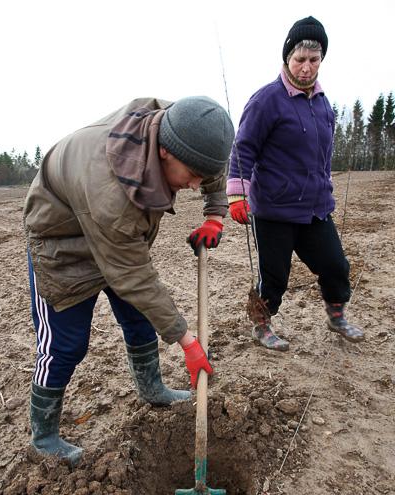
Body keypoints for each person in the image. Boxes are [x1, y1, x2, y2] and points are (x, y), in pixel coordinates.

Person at [24, 96, 234, 464]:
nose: (195, 185)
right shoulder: (111, 192)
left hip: (115, 235)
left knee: (139, 319)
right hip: (63, 245)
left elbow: (210, 163)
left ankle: (152, 389)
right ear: (166, 151)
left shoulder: (185, 125)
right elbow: (133, 276)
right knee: (66, 345)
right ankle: (43, 438)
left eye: (202, 175)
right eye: (191, 175)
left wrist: (215, 214)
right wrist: (187, 341)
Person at [226, 16, 364, 351]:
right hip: (274, 208)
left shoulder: (323, 103)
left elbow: (323, 155)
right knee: (274, 276)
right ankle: (262, 325)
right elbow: (244, 147)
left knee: (335, 266)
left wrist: (325, 187)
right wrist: (237, 193)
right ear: (287, 57)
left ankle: (336, 317)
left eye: (314, 59)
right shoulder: (267, 100)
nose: (306, 67)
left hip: (315, 208)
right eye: (300, 59)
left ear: (321, 60)